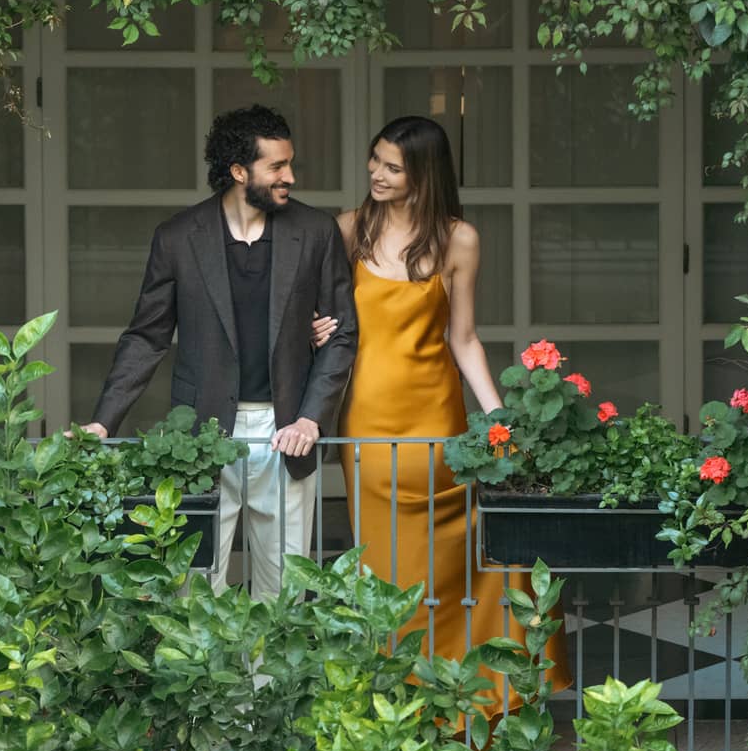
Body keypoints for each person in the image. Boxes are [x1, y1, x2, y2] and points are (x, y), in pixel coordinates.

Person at [314, 115, 571, 711]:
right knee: (387, 569)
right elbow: (323, 326)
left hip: (438, 419)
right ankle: (396, 706)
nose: (376, 174)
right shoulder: (347, 230)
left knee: (467, 552)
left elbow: (465, 339)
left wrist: (500, 423)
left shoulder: (459, 239)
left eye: (392, 167)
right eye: (374, 160)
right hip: (368, 425)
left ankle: (478, 694)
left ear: (424, 173)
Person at [82, 105, 357, 600]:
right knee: (196, 590)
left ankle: (271, 684)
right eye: (276, 166)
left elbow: (341, 334)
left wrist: (312, 420)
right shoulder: (177, 237)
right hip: (201, 438)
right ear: (237, 171)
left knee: (286, 592)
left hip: (287, 433)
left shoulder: (316, 232)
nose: (289, 176)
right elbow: (147, 337)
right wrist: (104, 421)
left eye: (289, 164)